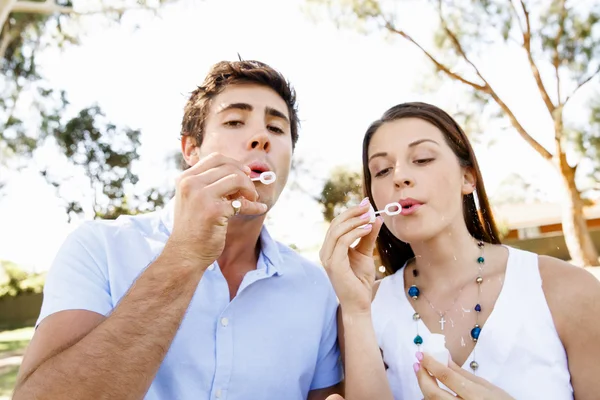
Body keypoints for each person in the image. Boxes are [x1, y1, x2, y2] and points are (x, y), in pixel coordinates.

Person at [13, 60, 343, 400]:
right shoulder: (98, 247)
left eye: (276, 129)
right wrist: (185, 256)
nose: (261, 137)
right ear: (191, 149)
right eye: (234, 121)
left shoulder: (317, 289)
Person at [320, 102, 600, 400]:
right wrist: (356, 311)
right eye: (382, 170)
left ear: (467, 178)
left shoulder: (569, 290)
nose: (398, 177)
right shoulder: (362, 307)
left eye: (423, 159)